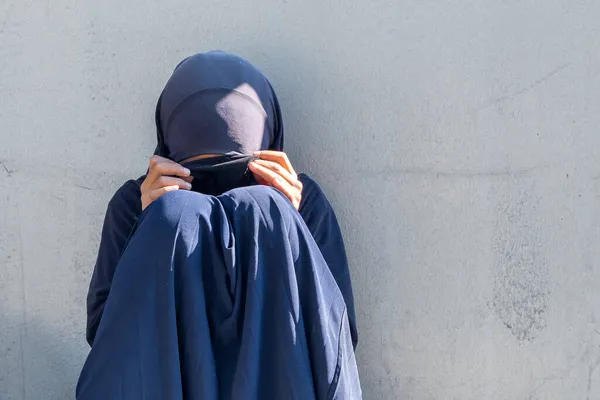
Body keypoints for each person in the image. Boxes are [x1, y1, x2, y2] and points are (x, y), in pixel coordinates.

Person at [77, 51, 361, 399]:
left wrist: (290, 226)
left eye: (237, 169)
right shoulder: (138, 201)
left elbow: (338, 336)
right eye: (197, 172)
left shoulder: (298, 199)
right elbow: (104, 334)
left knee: (263, 209)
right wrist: (150, 225)